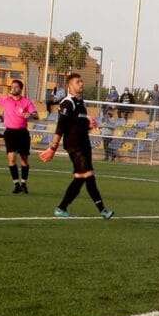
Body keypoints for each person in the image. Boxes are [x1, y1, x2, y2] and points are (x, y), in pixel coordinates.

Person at [39, 71, 113, 219]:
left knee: (79, 178)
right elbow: (61, 127)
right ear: (70, 85)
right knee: (89, 175)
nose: (81, 84)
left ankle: (61, 208)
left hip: (84, 144)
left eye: (81, 81)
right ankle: (103, 210)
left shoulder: (81, 103)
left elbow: (79, 124)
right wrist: (53, 147)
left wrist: (89, 125)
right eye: (77, 82)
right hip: (74, 145)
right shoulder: (68, 103)